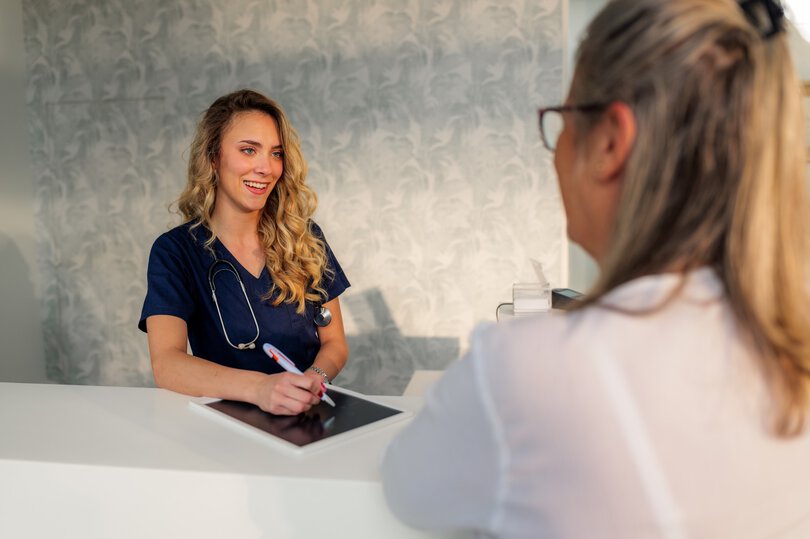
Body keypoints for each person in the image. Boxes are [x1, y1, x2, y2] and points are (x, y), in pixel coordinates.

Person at [381, 0, 810, 536]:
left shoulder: (531, 372)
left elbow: (406, 487)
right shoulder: (786, 348)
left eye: (559, 120)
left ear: (609, 142)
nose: (556, 149)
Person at [139, 89, 350, 416]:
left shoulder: (305, 239)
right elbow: (167, 364)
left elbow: (334, 343)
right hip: (226, 428)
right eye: (249, 150)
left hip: (305, 417)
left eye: (276, 153)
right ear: (213, 157)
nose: (266, 168)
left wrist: (313, 380)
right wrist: (260, 389)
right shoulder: (176, 252)